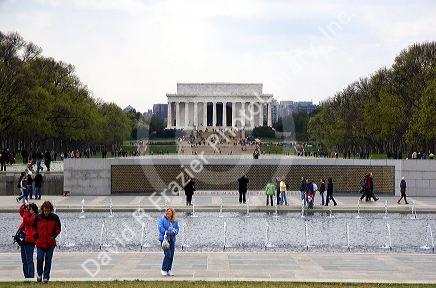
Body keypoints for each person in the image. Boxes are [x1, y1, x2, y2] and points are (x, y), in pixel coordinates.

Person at [33, 201, 61, 283]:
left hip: (50, 243)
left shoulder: (55, 217)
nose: (46, 212)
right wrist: (35, 235)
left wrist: (54, 235)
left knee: (48, 260)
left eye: (48, 211)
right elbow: (33, 228)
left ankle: (46, 277)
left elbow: (58, 228)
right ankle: (39, 274)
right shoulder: (38, 218)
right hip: (40, 243)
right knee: (40, 259)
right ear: (42, 210)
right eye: (45, 211)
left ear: (50, 210)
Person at [18, 202, 38, 279]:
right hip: (23, 240)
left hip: (30, 240)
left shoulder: (35, 217)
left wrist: (26, 212)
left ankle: (30, 276)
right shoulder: (28, 215)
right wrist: (24, 206)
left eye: (30, 209)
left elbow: (27, 221)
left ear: (34, 210)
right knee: (24, 260)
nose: (28, 210)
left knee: (29, 260)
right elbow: (21, 211)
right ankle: (26, 276)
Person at [157, 208, 179, 276]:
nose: (168, 213)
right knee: (168, 254)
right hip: (164, 240)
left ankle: (169, 269)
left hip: (172, 240)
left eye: (169, 212)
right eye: (167, 212)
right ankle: (164, 269)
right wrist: (169, 232)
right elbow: (161, 229)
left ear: (172, 213)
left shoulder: (175, 221)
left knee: (171, 255)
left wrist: (174, 232)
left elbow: (177, 229)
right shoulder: (162, 220)